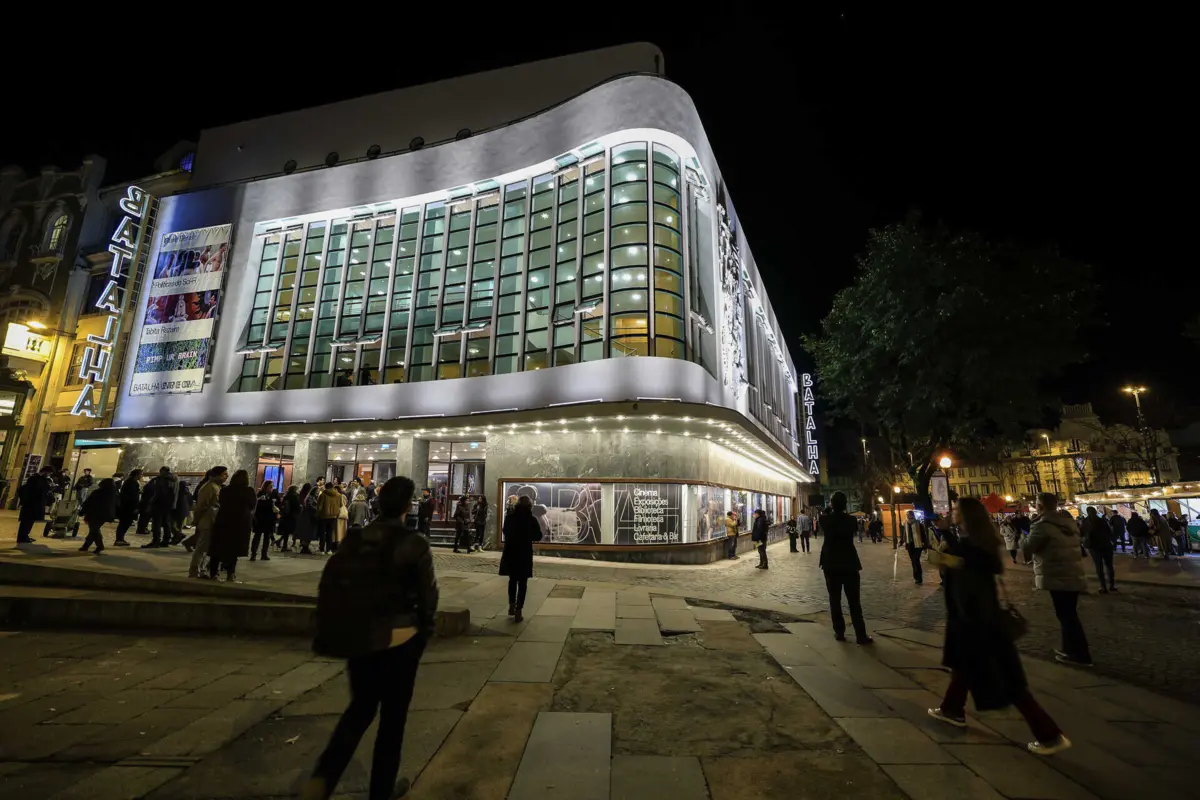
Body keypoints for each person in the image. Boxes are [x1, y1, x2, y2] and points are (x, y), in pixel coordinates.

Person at [304, 476, 437, 800]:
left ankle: (322, 778)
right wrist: (423, 634)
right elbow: (428, 595)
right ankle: (380, 792)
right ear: (408, 506)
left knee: (359, 710)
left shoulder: (354, 539)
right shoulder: (414, 543)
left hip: (360, 636)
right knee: (393, 722)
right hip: (399, 639)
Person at [927, 497, 1072, 756]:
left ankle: (1050, 735)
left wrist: (947, 557)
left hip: (977, 625)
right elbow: (966, 563)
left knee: (1010, 684)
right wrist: (948, 542)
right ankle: (951, 709)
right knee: (964, 669)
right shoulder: (981, 543)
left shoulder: (971, 549)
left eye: (957, 510)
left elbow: (965, 582)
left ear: (967, 516)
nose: (953, 513)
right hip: (981, 622)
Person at [1023, 493, 1092, 667]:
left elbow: (1027, 548)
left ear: (1040, 506)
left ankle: (1080, 654)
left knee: (1067, 616)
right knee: (1069, 613)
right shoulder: (1068, 523)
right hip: (1073, 573)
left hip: (1057, 575)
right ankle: (1069, 649)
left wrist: (1027, 532)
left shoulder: (1042, 526)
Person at [819, 491, 872, 644]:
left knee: (834, 600)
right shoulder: (851, 521)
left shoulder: (825, 520)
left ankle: (839, 632)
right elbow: (853, 530)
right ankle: (860, 635)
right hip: (849, 563)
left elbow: (824, 515)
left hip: (831, 564)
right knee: (854, 601)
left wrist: (830, 508)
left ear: (831, 504)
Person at [500, 495, 543, 622]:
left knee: (512, 580)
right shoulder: (531, 519)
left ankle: (511, 605)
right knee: (523, 582)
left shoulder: (509, 517)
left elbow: (505, 531)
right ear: (530, 505)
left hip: (512, 551)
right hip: (524, 553)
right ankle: (519, 610)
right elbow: (538, 536)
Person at [207, 469, 256, 580]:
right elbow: (252, 506)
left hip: (224, 521)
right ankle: (230, 573)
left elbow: (221, 502)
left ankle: (213, 573)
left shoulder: (225, 490)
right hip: (240, 523)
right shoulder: (249, 491)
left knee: (218, 547)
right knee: (234, 549)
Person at [188, 467, 227, 578]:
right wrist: (196, 519)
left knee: (207, 548)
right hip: (207, 521)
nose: (226, 476)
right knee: (201, 548)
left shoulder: (216, 487)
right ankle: (194, 571)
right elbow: (201, 506)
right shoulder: (209, 487)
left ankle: (201, 570)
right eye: (224, 474)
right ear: (216, 475)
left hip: (212, 521)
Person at [16, 466, 56, 544]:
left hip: (35, 504)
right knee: (26, 521)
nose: (49, 475)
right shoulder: (35, 478)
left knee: (30, 521)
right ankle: (22, 537)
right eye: (49, 473)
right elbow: (36, 490)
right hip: (31, 504)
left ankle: (25, 536)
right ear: (45, 471)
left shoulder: (41, 479)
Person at [1082, 506, 1116, 593]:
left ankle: (1103, 586)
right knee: (1109, 565)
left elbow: (1080, 533)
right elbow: (1109, 532)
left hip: (1094, 547)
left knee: (1098, 566)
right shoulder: (1102, 521)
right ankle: (1111, 585)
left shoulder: (1085, 522)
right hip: (1106, 545)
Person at [78, 478, 117, 554]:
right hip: (105, 515)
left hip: (94, 514)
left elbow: (89, 503)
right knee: (94, 530)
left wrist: (82, 511)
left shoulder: (98, 492)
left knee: (94, 530)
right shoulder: (114, 493)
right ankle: (86, 546)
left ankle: (100, 545)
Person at [143, 466, 179, 548]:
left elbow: (159, 492)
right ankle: (166, 541)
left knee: (156, 523)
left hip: (159, 504)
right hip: (169, 505)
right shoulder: (175, 479)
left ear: (162, 471)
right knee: (166, 523)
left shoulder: (163, 479)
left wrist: (151, 502)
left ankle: (156, 541)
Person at [251, 481, 279, 562]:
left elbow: (277, 504)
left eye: (272, 486)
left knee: (267, 537)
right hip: (260, 518)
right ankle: (253, 554)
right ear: (265, 486)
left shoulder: (273, 495)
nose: (271, 488)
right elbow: (256, 504)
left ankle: (264, 554)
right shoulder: (260, 494)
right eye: (270, 486)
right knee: (257, 536)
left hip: (269, 518)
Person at [113, 469, 142, 547]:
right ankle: (119, 539)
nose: (141, 476)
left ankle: (120, 539)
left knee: (125, 523)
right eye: (140, 474)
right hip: (128, 507)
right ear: (136, 475)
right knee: (125, 523)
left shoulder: (128, 482)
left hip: (126, 506)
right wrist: (135, 507)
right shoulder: (132, 483)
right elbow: (132, 497)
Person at [317, 480, 345, 554]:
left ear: (326, 487)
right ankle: (329, 549)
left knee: (322, 533)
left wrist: (317, 514)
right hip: (333, 516)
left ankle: (322, 549)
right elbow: (341, 505)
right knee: (330, 533)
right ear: (332, 487)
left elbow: (319, 506)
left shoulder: (323, 495)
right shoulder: (339, 495)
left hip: (323, 516)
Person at [903, 510, 928, 584]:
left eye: (910, 515)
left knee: (915, 560)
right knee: (913, 561)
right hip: (910, 545)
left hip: (918, 545)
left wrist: (925, 545)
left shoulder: (918, 523)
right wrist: (902, 541)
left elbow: (923, 535)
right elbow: (904, 534)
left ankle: (918, 577)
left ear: (913, 515)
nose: (909, 516)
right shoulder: (905, 523)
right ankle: (917, 577)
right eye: (907, 515)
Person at [278, 485, 301, 552]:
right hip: (292, 516)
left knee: (286, 531)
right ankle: (284, 546)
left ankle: (282, 543)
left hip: (285, 515)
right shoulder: (294, 496)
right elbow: (297, 507)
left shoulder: (286, 495)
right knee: (290, 530)